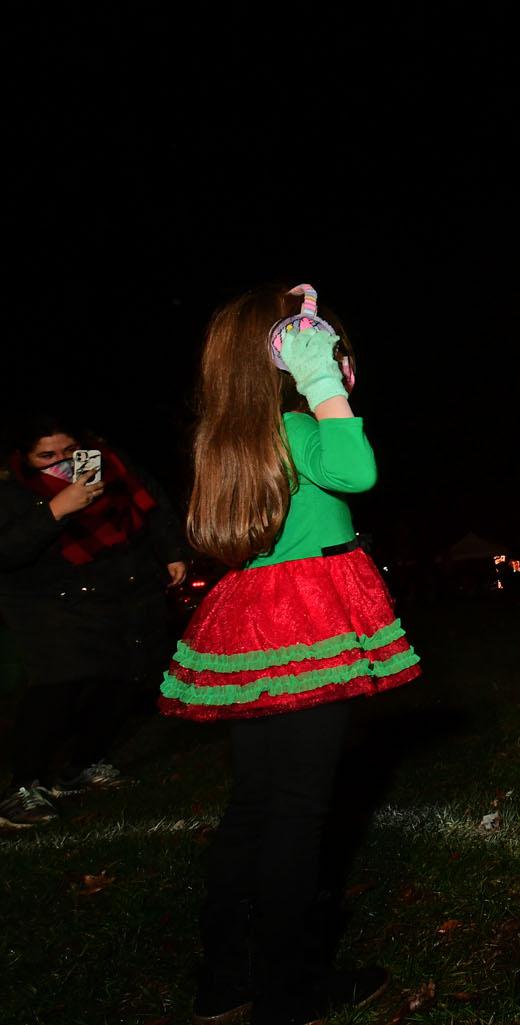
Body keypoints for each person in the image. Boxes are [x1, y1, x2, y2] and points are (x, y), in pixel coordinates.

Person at [161, 285, 419, 1025]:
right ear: (288, 357)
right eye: (321, 347)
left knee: (255, 802)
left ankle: (226, 981)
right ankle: (287, 989)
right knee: (297, 810)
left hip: (252, 619)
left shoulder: (229, 437)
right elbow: (357, 469)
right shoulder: (298, 423)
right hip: (309, 620)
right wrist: (323, 385)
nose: (338, 359)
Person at [0, 415, 185, 827]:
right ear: (25, 459)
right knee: (58, 686)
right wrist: (55, 510)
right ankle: (23, 786)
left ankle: (81, 765)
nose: (60, 461)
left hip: (120, 587)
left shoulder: (112, 465)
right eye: (45, 455)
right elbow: (7, 551)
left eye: (68, 451)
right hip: (47, 600)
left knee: (126, 677)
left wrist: (172, 551)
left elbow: (152, 503)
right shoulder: (12, 490)